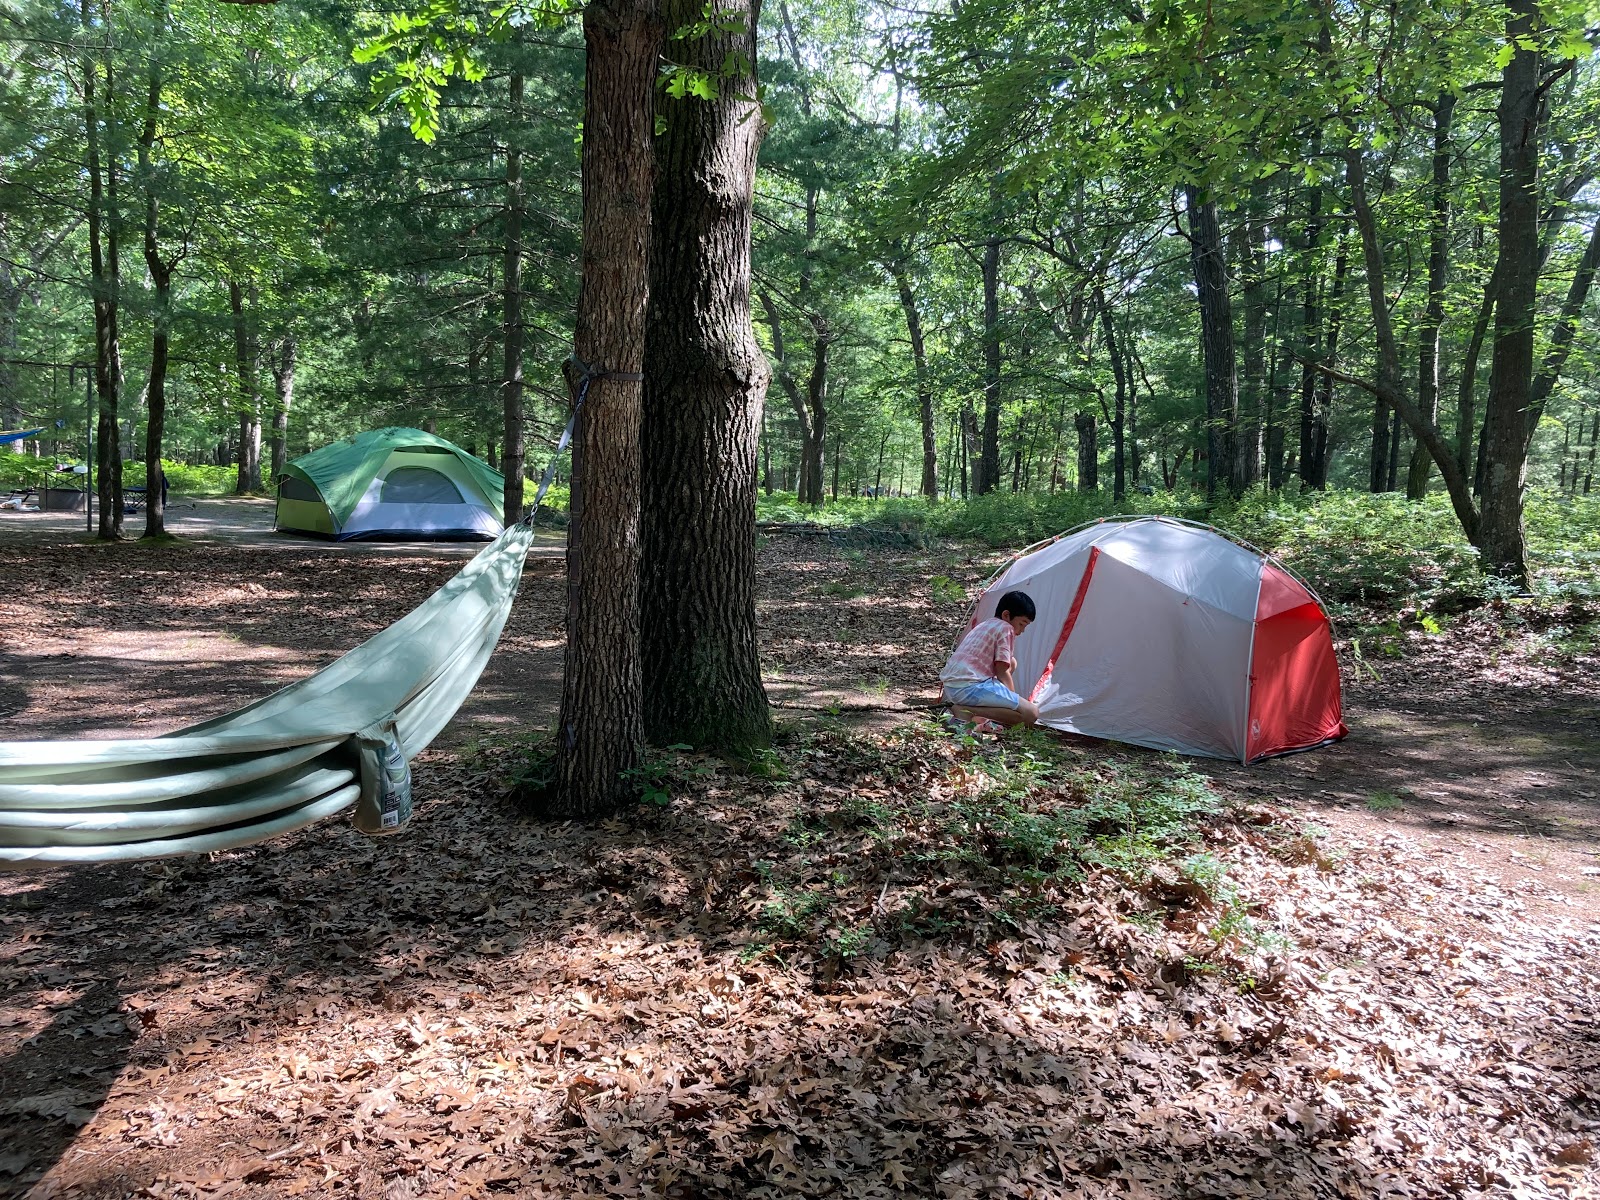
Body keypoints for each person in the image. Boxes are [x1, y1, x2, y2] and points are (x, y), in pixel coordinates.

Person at [940, 589, 1040, 732]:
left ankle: (969, 716)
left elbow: (1007, 664)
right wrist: (1012, 698)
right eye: (1022, 624)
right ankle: (965, 711)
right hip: (969, 687)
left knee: (1012, 661)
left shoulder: (986, 624)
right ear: (1006, 615)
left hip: (953, 686)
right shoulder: (1006, 628)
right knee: (1031, 713)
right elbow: (1002, 670)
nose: (1022, 630)